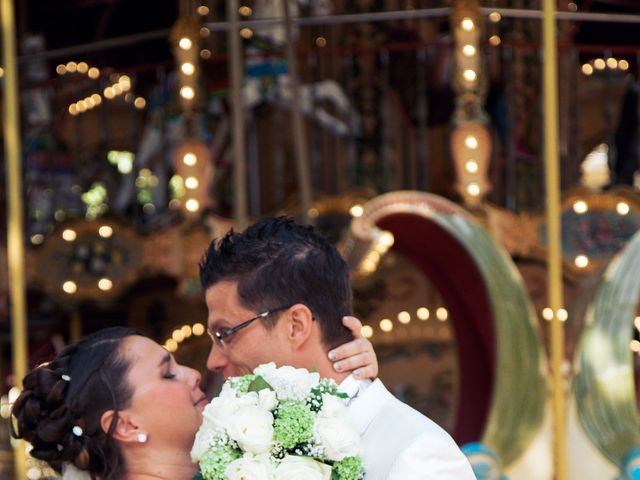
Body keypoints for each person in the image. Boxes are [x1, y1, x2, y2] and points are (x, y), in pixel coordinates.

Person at [200, 216, 475, 479]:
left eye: (225, 333)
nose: (213, 361)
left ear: (296, 326)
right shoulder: (243, 441)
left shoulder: (417, 453)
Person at [11, 321, 378, 479]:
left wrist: (352, 382)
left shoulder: (249, 459)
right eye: (167, 373)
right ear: (126, 424)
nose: (194, 373)